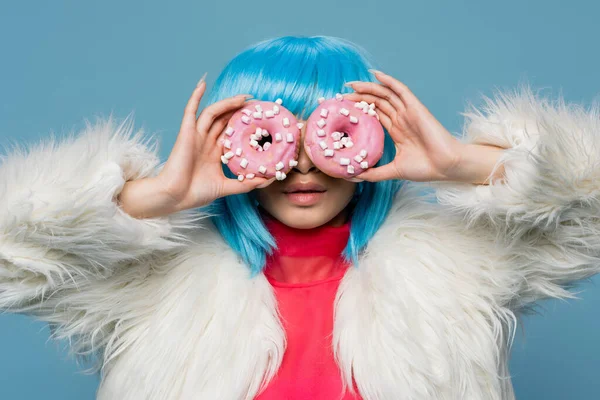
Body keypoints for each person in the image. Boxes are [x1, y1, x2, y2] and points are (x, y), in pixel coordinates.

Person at [1, 35, 598, 400]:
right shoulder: (150, 283)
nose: (304, 166)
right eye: (271, 135)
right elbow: (12, 256)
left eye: (334, 132)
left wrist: (460, 162)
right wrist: (158, 197)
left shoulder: (460, 269)